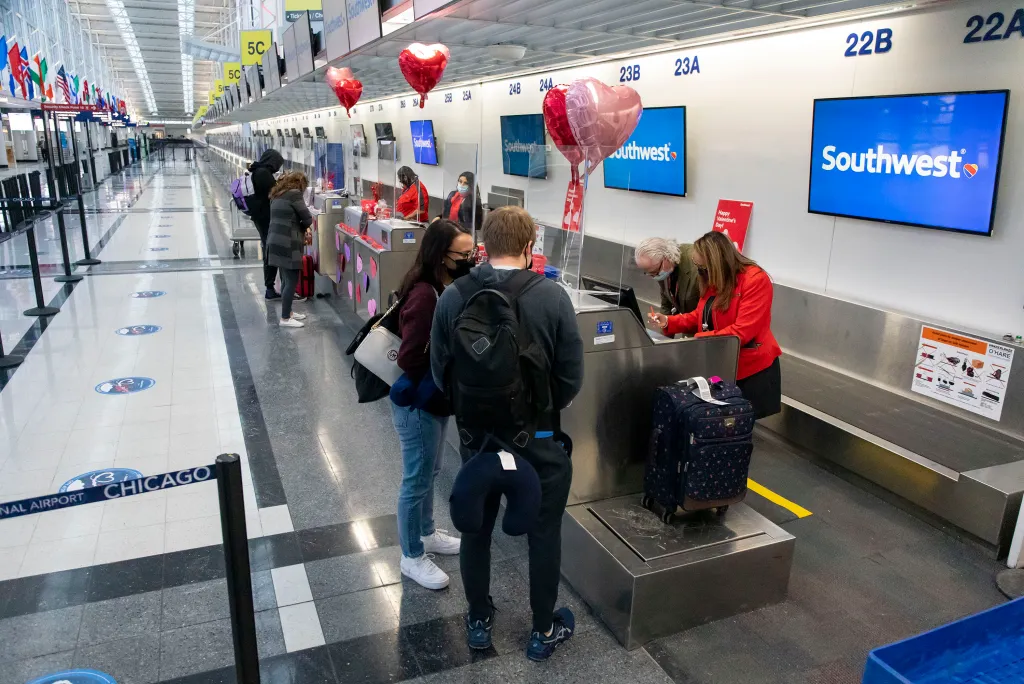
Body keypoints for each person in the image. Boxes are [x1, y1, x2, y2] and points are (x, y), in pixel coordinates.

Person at [430, 206, 585, 662]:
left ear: (484, 244)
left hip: (478, 441)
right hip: (536, 441)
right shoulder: (552, 297)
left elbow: (441, 372)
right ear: (529, 246)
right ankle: (541, 631)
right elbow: (571, 377)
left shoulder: (454, 296)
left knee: (476, 529)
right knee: (543, 531)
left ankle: (478, 620)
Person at [390, 219, 476, 590]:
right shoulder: (425, 295)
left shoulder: (442, 286)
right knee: (417, 478)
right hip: (417, 401)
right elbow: (409, 358)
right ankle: (411, 555)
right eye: (464, 254)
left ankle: (426, 532)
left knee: (433, 470)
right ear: (443, 256)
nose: (470, 260)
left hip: (434, 401)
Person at [648, 231, 782, 418]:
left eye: (702, 267)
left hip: (751, 370)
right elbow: (700, 316)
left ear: (717, 262)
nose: (699, 271)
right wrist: (670, 321)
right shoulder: (712, 279)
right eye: (696, 266)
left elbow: (741, 332)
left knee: (739, 425)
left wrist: (699, 340)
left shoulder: (755, 280)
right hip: (721, 362)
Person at [266, 171, 313, 329]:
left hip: (274, 240)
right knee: (292, 280)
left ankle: (289, 312)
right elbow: (307, 218)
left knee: (286, 278)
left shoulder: (277, 194)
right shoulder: (294, 194)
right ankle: (285, 318)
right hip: (288, 242)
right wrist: (305, 229)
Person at [246, 149, 285, 300]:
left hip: (261, 216)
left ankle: (271, 286)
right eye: (277, 164)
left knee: (269, 249)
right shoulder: (263, 173)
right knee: (270, 250)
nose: (277, 168)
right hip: (265, 217)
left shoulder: (258, 170)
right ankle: (270, 288)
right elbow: (275, 192)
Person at [634, 237, 700, 316]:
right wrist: (664, 322)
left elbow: (705, 311)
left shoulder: (697, 267)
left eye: (655, 272)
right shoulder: (661, 267)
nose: (655, 277)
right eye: (649, 273)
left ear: (667, 257)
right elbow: (666, 304)